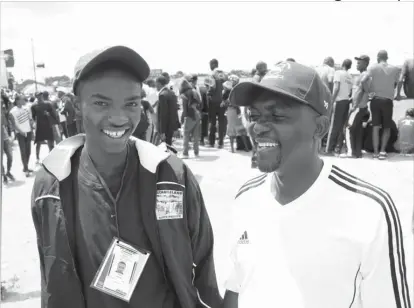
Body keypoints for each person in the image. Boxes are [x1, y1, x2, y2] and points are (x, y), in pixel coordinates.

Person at [31, 46, 221, 308]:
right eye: (101, 103)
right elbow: (51, 279)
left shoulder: (171, 176)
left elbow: (203, 265)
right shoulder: (52, 184)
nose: (119, 118)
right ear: (77, 106)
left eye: (131, 103)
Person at [224, 61, 412, 308]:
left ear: (320, 127)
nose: (258, 126)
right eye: (254, 115)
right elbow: (236, 287)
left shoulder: (369, 209)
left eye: (277, 115)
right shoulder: (246, 197)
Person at [362, 50, 400, 160]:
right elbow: (399, 81)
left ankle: (375, 152)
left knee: (375, 126)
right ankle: (383, 151)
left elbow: (363, 80)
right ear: (387, 57)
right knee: (387, 127)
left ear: (378, 57)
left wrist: (369, 92)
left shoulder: (373, 68)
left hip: (375, 100)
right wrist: (398, 94)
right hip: (387, 100)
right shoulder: (394, 69)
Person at [343, 55, 371, 158]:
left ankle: (350, 152)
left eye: (359, 63)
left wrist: (354, 105)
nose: (357, 65)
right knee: (358, 130)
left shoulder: (364, 75)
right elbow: (359, 91)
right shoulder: (363, 75)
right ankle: (357, 152)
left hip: (357, 107)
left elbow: (361, 91)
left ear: (366, 64)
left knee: (348, 128)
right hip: (361, 106)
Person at [326, 59, 353, 155]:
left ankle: (329, 149)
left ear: (342, 64)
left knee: (334, 126)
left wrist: (331, 101)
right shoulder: (350, 77)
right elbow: (350, 92)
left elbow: (336, 88)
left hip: (338, 102)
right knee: (342, 126)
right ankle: (338, 148)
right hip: (346, 102)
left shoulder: (338, 73)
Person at [222, 75, 249, 153]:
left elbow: (225, 103)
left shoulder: (226, 91)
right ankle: (246, 147)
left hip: (230, 111)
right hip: (237, 111)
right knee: (240, 129)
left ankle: (232, 149)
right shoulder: (236, 90)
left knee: (231, 130)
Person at [9, 94, 34, 176]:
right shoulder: (12, 111)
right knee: (23, 151)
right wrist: (20, 131)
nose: (23, 100)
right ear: (17, 101)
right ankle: (26, 169)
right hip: (20, 134)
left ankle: (25, 166)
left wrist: (32, 130)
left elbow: (30, 120)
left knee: (28, 151)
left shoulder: (26, 108)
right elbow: (13, 124)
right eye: (22, 99)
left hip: (28, 131)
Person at [206, 58, 227, 148]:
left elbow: (212, 87)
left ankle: (211, 142)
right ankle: (221, 142)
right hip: (222, 101)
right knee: (222, 122)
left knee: (212, 122)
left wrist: (208, 93)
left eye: (210, 64)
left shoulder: (212, 74)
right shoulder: (224, 74)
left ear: (213, 64)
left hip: (213, 101)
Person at [31, 91, 57, 164]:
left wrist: (49, 115)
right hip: (39, 126)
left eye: (40, 95)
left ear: (42, 96)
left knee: (50, 142)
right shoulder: (33, 106)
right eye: (38, 95)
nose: (39, 96)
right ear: (36, 96)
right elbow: (33, 117)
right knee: (38, 142)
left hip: (48, 125)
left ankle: (52, 156)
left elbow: (53, 114)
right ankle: (37, 158)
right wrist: (34, 125)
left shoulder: (48, 104)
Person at [179, 76, 202, 158]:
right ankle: (196, 153)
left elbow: (190, 105)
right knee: (196, 135)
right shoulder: (194, 91)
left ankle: (185, 153)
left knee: (186, 134)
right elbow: (199, 101)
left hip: (190, 115)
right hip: (197, 115)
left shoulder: (185, 93)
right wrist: (197, 111)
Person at [156, 75, 180, 146]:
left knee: (164, 146)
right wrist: (176, 126)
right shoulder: (172, 93)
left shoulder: (162, 95)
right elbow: (175, 110)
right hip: (171, 125)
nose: (156, 86)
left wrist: (162, 131)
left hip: (165, 127)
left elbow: (163, 114)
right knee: (168, 145)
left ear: (159, 83)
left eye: (156, 84)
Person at [1, 101, 15, 183]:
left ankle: (8, 172)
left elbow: (6, 124)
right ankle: (3, 175)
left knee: (10, 157)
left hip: (5, 138)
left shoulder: (2, 114)